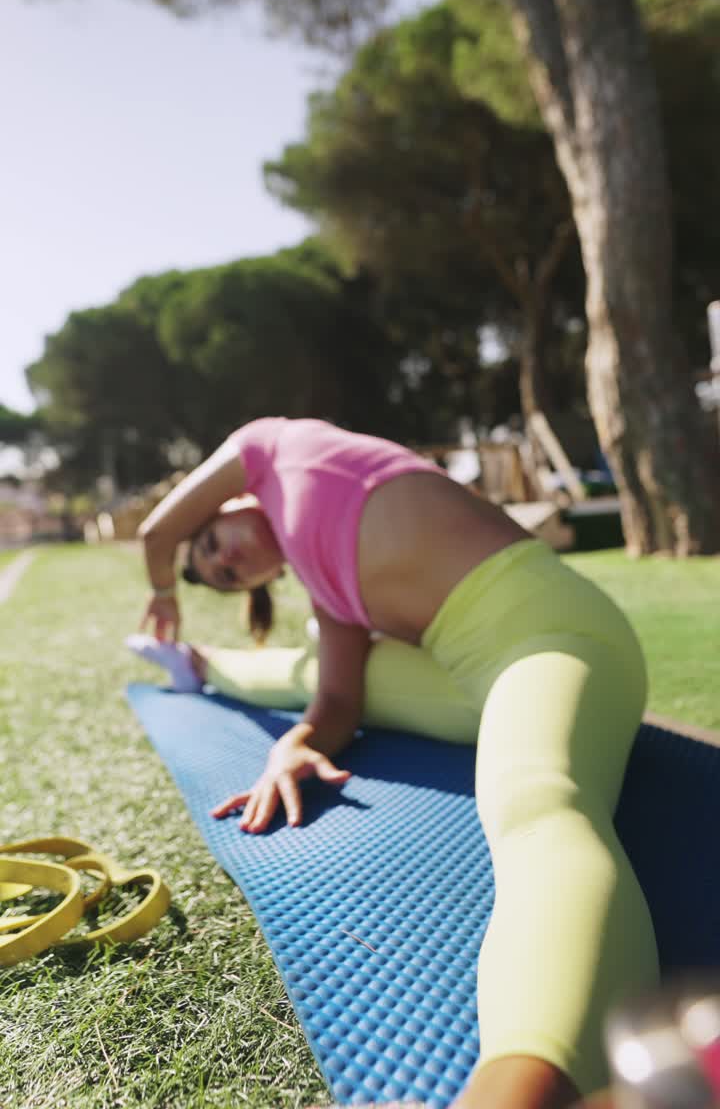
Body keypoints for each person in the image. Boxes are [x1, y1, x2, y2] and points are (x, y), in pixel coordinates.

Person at [135, 416, 659, 1109]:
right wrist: (292, 746)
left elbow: (155, 533)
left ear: (225, 504)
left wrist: (167, 585)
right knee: (309, 665)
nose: (227, 562)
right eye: (224, 577)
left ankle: (526, 1086)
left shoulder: (272, 447)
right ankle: (198, 665)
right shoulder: (333, 599)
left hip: (555, 638)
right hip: (466, 680)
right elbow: (337, 704)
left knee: (535, 801)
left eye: (212, 545)